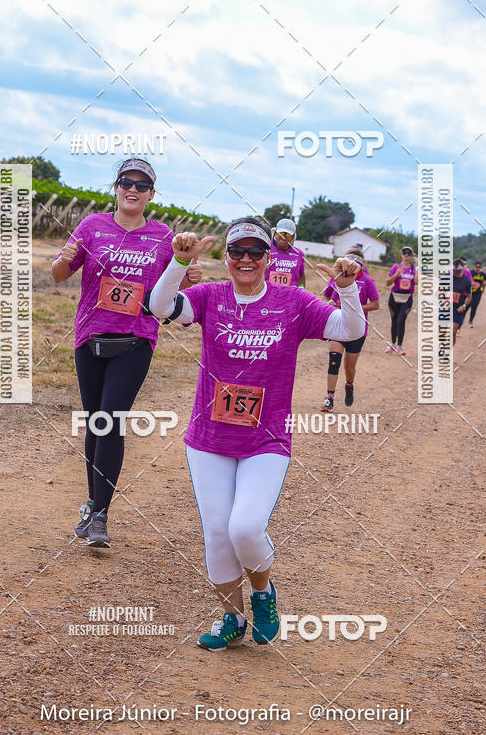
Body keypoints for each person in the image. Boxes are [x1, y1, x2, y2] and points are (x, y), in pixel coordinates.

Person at [148, 217, 365, 651]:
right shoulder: (210, 296)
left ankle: (263, 594)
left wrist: (346, 287)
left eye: (255, 252)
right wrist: (178, 261)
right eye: (236, 252)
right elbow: (159, 306)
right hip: (208, 439)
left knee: (244, 528)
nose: (245, 260)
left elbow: (350, 330)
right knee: (216, 532)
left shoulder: (294, 302)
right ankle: (231, 617)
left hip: (266, 440)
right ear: (226, 257)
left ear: (269, 257)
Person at [51, 158, 202, 548]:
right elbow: (59, 274)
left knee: (111, 419)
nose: (132, 189)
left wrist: (191, 273)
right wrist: (62, 260)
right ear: (115, 187)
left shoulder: (162, 235)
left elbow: (175, 284)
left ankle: (100, 516)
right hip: (90, 336)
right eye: (126, 182)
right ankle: (92, 503)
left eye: (141, 184)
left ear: (152, 194)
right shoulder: (91, 226)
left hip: (136, 338)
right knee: (94, 421)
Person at [320, 245, 379, 410]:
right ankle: (329, 398)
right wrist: (328, 304)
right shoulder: (336, 277)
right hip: (338, 326)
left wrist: (355, 308)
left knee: (349, 367)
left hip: (357, 330)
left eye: (355, 261)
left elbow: (375, 304)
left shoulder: (367, 281)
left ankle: (349, 384)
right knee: (334, 361)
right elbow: (325, 296)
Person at [385, 246, 417, 355]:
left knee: (401, 321)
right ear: (401, 255)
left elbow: (416, 282)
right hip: (394, 296)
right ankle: (393, 344)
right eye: (404, 253)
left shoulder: (413, 269)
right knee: (394, 321)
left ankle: (399, 346)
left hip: (407, 298)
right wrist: (397, 274)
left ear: (411, 256)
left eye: (409, 253)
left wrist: (417, 267)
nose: (406, 255)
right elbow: (388, 282)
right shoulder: (396, 267)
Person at [265, 218, 306, 287]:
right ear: (275, 233)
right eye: (281, 233)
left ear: (293, 237)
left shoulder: (299, 254)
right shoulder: (265, 250)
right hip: (268, 294)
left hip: (290, 295)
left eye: (288, 235)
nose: (283, 237)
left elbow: (301, 275)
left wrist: (301, 288)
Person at [450, 259, 472, 345]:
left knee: (453, 332)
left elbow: (470, 297)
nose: (456, 273)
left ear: (462, 269)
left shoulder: (466, 281)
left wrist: (463, 306)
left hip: (457, 310)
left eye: (458, 271)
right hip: (445, 308)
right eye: (454, 270)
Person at [468, 261, 486, 327]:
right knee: (467, 306)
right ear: (474, 266)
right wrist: (471, 282)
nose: (478, 268)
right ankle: (460, 320)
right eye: (476, 267)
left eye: (479, 267)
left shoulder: (483, 274)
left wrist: (485, 283)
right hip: (470, 292)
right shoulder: (471, 272)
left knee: (474, 307)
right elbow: (467, 280)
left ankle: (470, 322)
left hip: (478, 293)